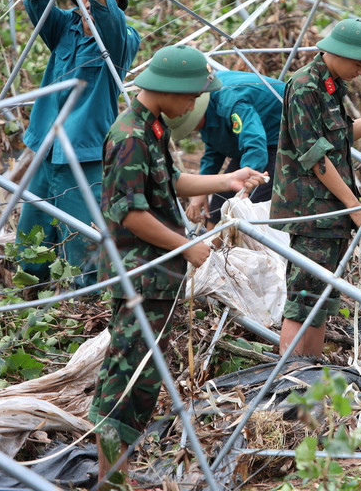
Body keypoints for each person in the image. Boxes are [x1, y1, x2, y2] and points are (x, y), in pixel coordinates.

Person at [88, 44, 266, 480]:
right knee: (126, 380)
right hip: (140, 275)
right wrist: (184, 246)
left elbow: (168, 183)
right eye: (190, 95)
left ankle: (121, 475)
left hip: (156, 275)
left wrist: (227, 178)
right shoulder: (128, 136)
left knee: (144, 379)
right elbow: (128, 212)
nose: (193, 105)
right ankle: (112, 479)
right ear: (167, 89)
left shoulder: (153, 129)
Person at [270, 18, 361, 357]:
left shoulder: (330, 85)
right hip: (310, 208)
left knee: (323, 297)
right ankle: (291, 377)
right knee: (303, 298)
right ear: (338, 52)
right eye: (358, 62)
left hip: (329, 210)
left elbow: (342, 136)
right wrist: (354, 206)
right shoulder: (304, 86)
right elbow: (315, 155)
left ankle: (310, 371)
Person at [16, 0, 140, 288]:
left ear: (111, 1)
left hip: (83, 151)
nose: (87, 2)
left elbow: (110, 22)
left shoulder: (122, 39)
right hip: (46, 145)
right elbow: (38, 5)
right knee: (33, 229)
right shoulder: (66, 28)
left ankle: (84, 304)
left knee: (82, 237)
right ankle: (28, 294)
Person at [167, 70, 286, 224]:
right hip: (251, 142)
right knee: (220, 205)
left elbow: (255, 142)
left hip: (282, 136)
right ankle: (210, 247)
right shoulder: (205, 109)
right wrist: (201, 190)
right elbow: (214, 150)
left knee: (248, 207)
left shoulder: (231, 103)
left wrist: (246, 184)